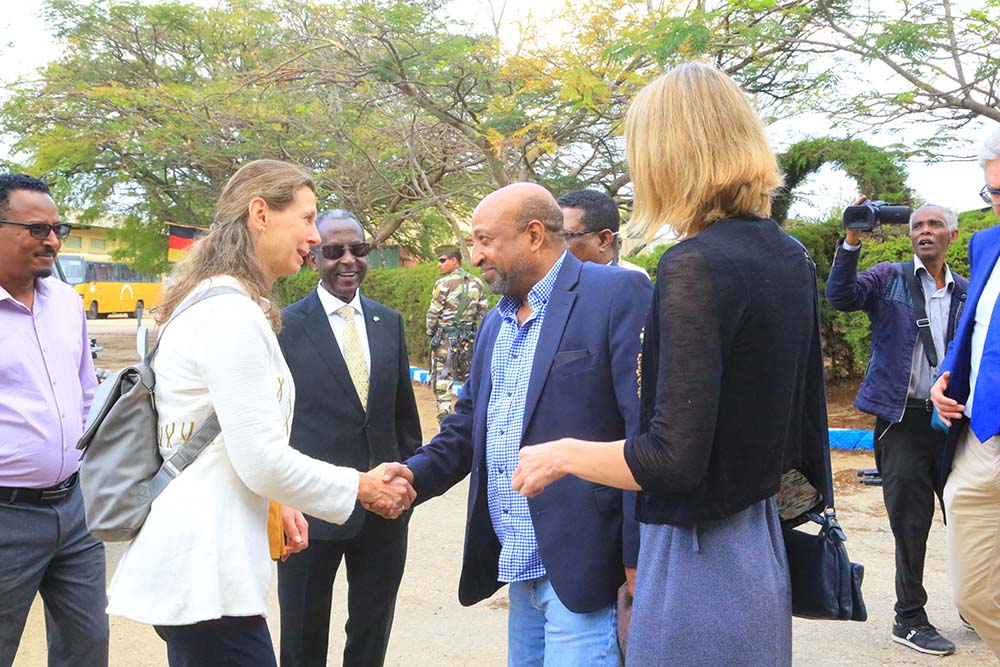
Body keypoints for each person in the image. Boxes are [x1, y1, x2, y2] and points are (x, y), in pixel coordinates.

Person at [509, 62, 831, 666]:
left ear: (667, 154)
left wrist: (561, 455)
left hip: (698, 552)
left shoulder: (695, 265)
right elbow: (802, 428)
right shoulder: (787, 253)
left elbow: (673, 458)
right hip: (758, 544)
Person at [104, 160, 415, 667]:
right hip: (205, 569)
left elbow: (228, 443)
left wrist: (278, 503)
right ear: (260, 214)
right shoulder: (230, 314)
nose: (314, 237)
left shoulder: (220, 302)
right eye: (308, 218)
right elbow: (261, 458)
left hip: (207, 568)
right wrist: (362, 486)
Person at [378, 182, 651, 665]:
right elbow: (467, 427)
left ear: (532, 235)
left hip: (586, 567)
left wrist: (635, 562)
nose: (475, 255)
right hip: (519, 562)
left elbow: (641, 432)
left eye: (485, 240)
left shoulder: (614, 294)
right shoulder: (494, 322)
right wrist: (412, 477)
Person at [277, 209, 422, 667]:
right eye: (334, 250)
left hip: (381, 514)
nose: (347, 261)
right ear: (313, 256)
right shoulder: (282, 326)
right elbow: (272, 425)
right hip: (309, 510)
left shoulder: (388, 322)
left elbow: (403, 419)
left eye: (357, 250)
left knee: (371, 630)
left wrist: (407, 488)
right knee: (303, 635)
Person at [825, 203, 966, 655]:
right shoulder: (889, 278)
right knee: (911, 521)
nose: (925, 232)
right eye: (918, 226)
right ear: (910, 237)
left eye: (935, 225)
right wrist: (851, 241)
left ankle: (976, 603)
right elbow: (841, 296)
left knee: (969, 518)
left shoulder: (967, 290)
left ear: (953, 236)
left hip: (957, 422)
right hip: (902, 418)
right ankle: (908, 618)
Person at [0, 174, 108, 667]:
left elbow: (86, 392)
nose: (53, 241)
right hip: (7, 516)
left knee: (87, 647)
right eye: (36, 229)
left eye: (56, 228)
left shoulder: (66, 302)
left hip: (74, 510)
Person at [931, 126, 1000, 656]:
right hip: (980, 441)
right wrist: (947, 376)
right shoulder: (985, 242)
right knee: (975, 593)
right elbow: (973, 325)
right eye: (995, 193)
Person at [426, 243, 488, 421]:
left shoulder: (443, 284)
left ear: (454, 261)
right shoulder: (477, 283)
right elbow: (484, 314)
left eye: (442, 260)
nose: (439, 264)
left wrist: (431, 334)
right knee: (470, 384)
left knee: (442, 386)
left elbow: (433, 313)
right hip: (468, 342)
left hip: (445, 341)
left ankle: (445, 428)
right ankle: (470, 424)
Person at [556, 189, 649, 278]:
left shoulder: (628, 286)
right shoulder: (549, 282)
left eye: (565, 236)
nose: (551, 245)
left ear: (604, 240)